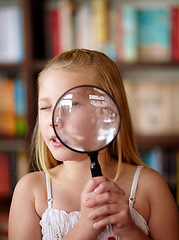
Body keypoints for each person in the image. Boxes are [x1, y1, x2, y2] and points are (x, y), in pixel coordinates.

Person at [8, 49, 179, 240]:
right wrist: (84, 229)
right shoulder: (31, 191)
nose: (53, 120)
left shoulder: (149, 187)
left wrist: (129, 229)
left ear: (106, 113)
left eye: (70, 105)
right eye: (46, 107)